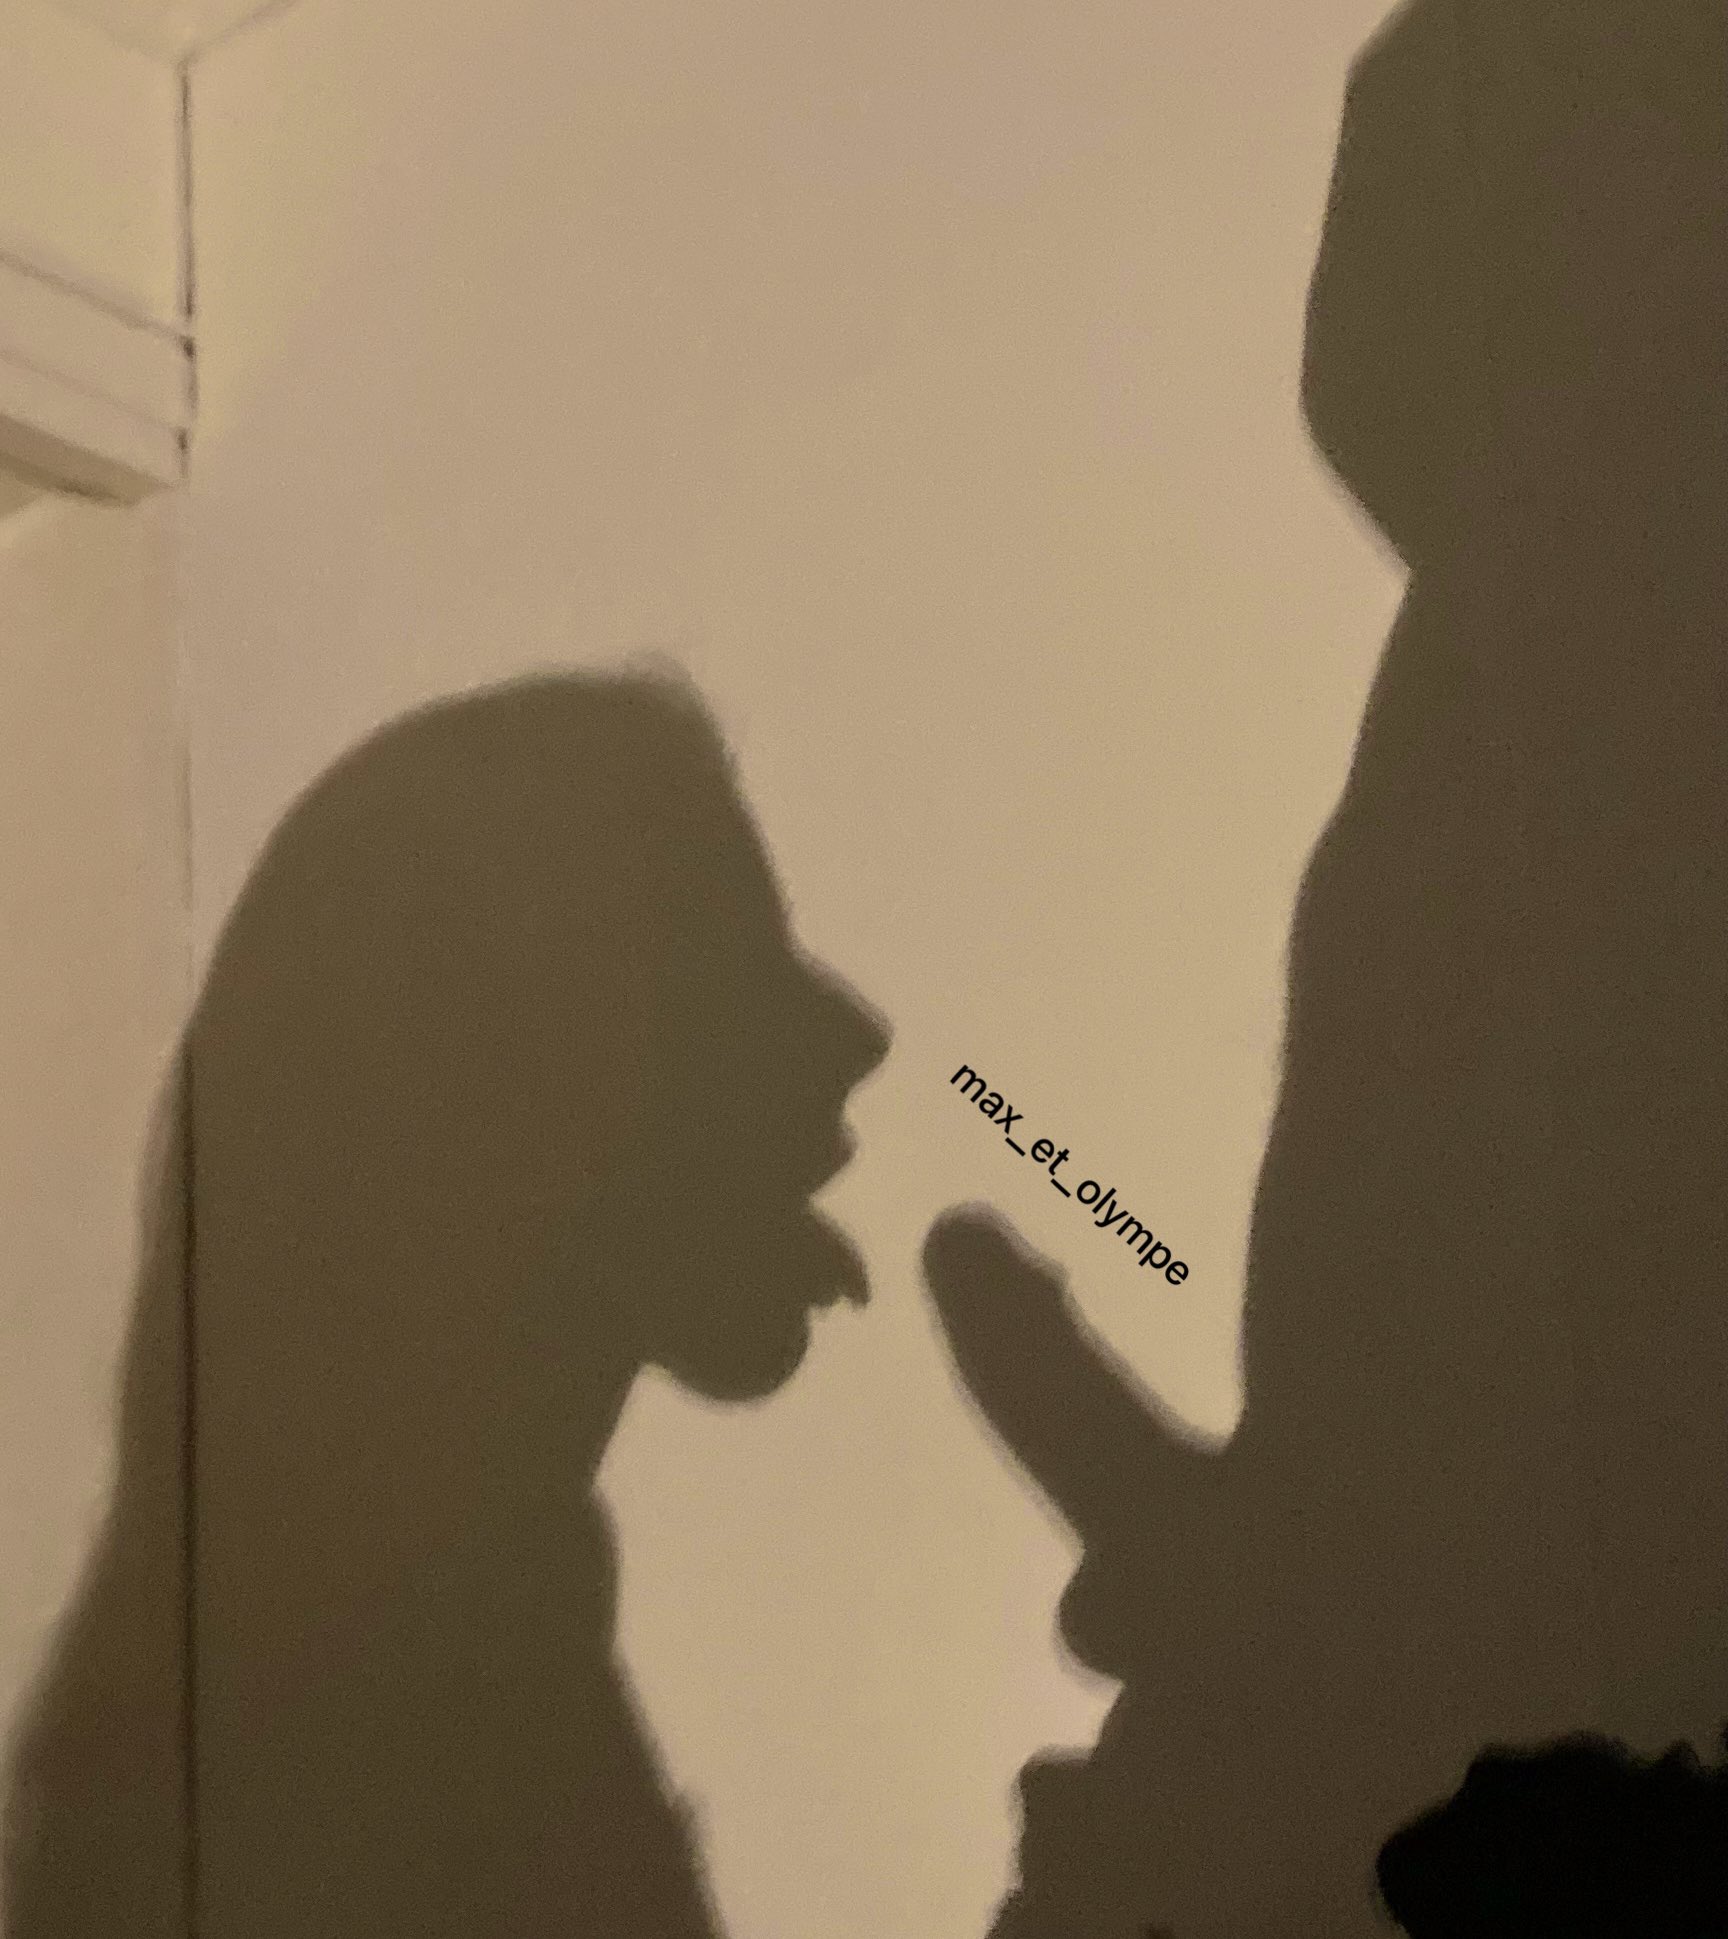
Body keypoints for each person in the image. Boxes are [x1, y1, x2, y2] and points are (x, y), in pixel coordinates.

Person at [3, 665, 889, 1937]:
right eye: (722, 966)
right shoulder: (387, 1747)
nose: (855, 1034)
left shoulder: (378, 1683)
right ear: (495, 1092)